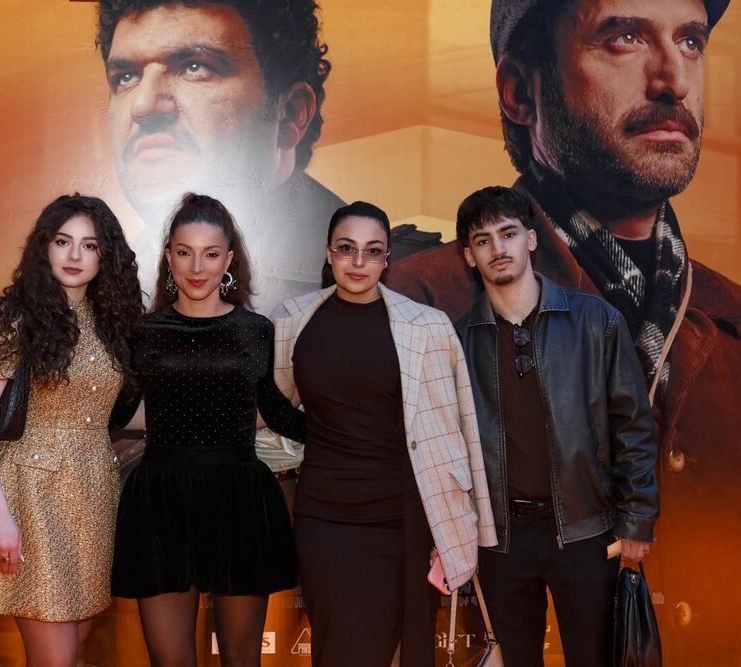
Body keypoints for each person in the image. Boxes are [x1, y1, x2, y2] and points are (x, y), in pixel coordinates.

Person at [383, 1, 740, 660]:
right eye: (624, 36)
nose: (672, 79)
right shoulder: (423, 298)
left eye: (691, 40)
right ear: (521, 90)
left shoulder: (730, 314)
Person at [95, 0, 441, 313]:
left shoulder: (411, 286)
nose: (143, 105)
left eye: (195, 67)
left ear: (289, 115)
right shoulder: (96, 289)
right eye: (126, 77)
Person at [269, 201, 496, 666]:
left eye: (372, 251)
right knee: (339, 650)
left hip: (402, 519)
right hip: (324, 519)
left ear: (387, 257)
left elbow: (455, 433)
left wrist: (460, 524)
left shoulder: (427, 326)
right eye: (346, 248)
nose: (358, 262)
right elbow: (274, 405)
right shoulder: (292, 320)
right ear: (328, 252)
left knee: (396, 649)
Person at [450, 186, 660, 665]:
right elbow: (446, 446)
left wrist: (637, 519)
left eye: (507, 233)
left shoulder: (596, 320)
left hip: (586, 532)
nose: (497, 248)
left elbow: (633, 425)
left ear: (530, 239)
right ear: (469, 256)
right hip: (501, 540)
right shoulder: (457, 341)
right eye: (482, 240)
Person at [110, 193, 307, 667]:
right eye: (185, 252)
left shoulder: (255, 329)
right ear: (168, 257)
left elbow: (277, 411)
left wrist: (353, 429)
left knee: (242, 660)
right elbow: (114, 413)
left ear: (229, 260)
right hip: (161, 501)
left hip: (239, 500)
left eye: (211, 254)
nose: (197, 267)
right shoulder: (143, 332)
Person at [0, 194, 143, 667]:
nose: (75, 255)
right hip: (31, 495)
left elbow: (114, 410)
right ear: (44, 247)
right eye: (63, 242)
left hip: (96, 494)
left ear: (106, 256)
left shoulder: (112, 322)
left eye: (89, 245)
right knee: (55, 659)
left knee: (75, 651)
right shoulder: (12, 318)